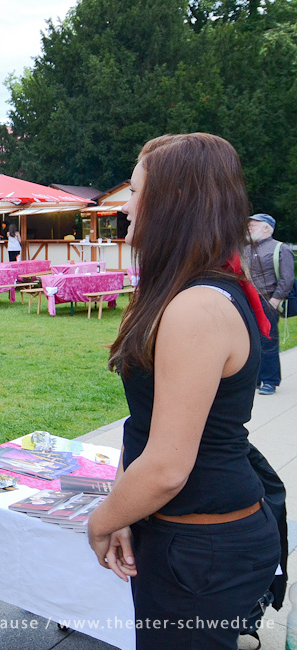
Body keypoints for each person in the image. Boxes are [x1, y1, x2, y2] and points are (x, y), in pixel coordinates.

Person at [87, 133, 279, 650]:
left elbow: (168, 467)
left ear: (174, 201)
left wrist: (100, 522)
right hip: (185, 538)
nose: (125, 206)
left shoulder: (197, 306)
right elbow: (146, 425)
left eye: (135, 191)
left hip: (201, 549)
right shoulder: (186, 291)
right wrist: (126, 510)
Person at [244, 213, 294, 395]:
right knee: (249, 343)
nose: (249, 227)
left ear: (266, 228)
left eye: (254, 224)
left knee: (268, 341)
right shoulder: (245, 249)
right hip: (247, 302)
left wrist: (275, 301)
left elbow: (287, 279)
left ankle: (270, 381)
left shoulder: (280, 249)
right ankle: (255, 379)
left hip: (267, 301)